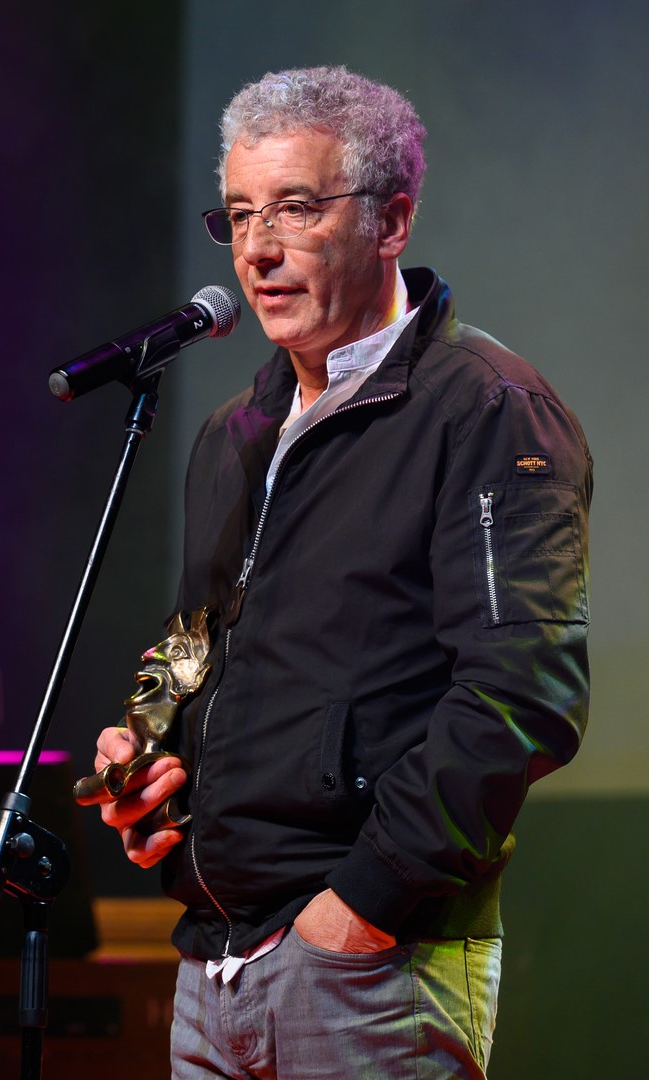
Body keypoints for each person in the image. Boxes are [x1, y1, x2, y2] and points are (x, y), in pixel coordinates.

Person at [80, 66, 592, 1078]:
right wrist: (151, 755)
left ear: (390, 221)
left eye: (296, 209)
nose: (257, 250)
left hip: (369, 962)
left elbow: (522, 696)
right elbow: (195, 644)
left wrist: (359, 907)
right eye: (240, 215)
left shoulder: (487, 410)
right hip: (212, 959)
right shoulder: (236, 431)